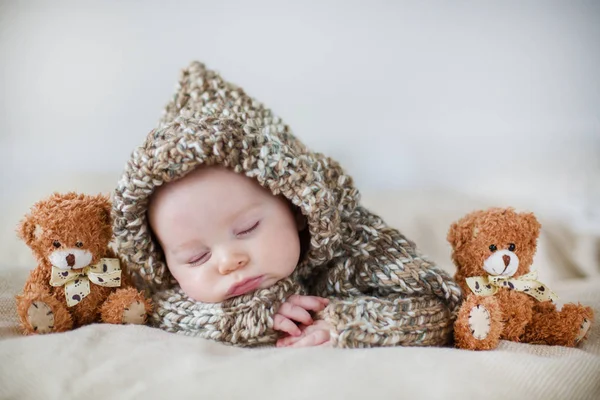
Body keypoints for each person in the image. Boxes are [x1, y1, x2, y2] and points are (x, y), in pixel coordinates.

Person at [112, 61, 462, 348]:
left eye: (247, 229)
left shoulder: (355, 246)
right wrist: (249, 315)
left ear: (295, 206)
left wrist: (345, 322)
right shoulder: (159, 280)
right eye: (195, 257)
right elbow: (152, 308)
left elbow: (440, 307)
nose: (228, 261)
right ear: (163, 261)